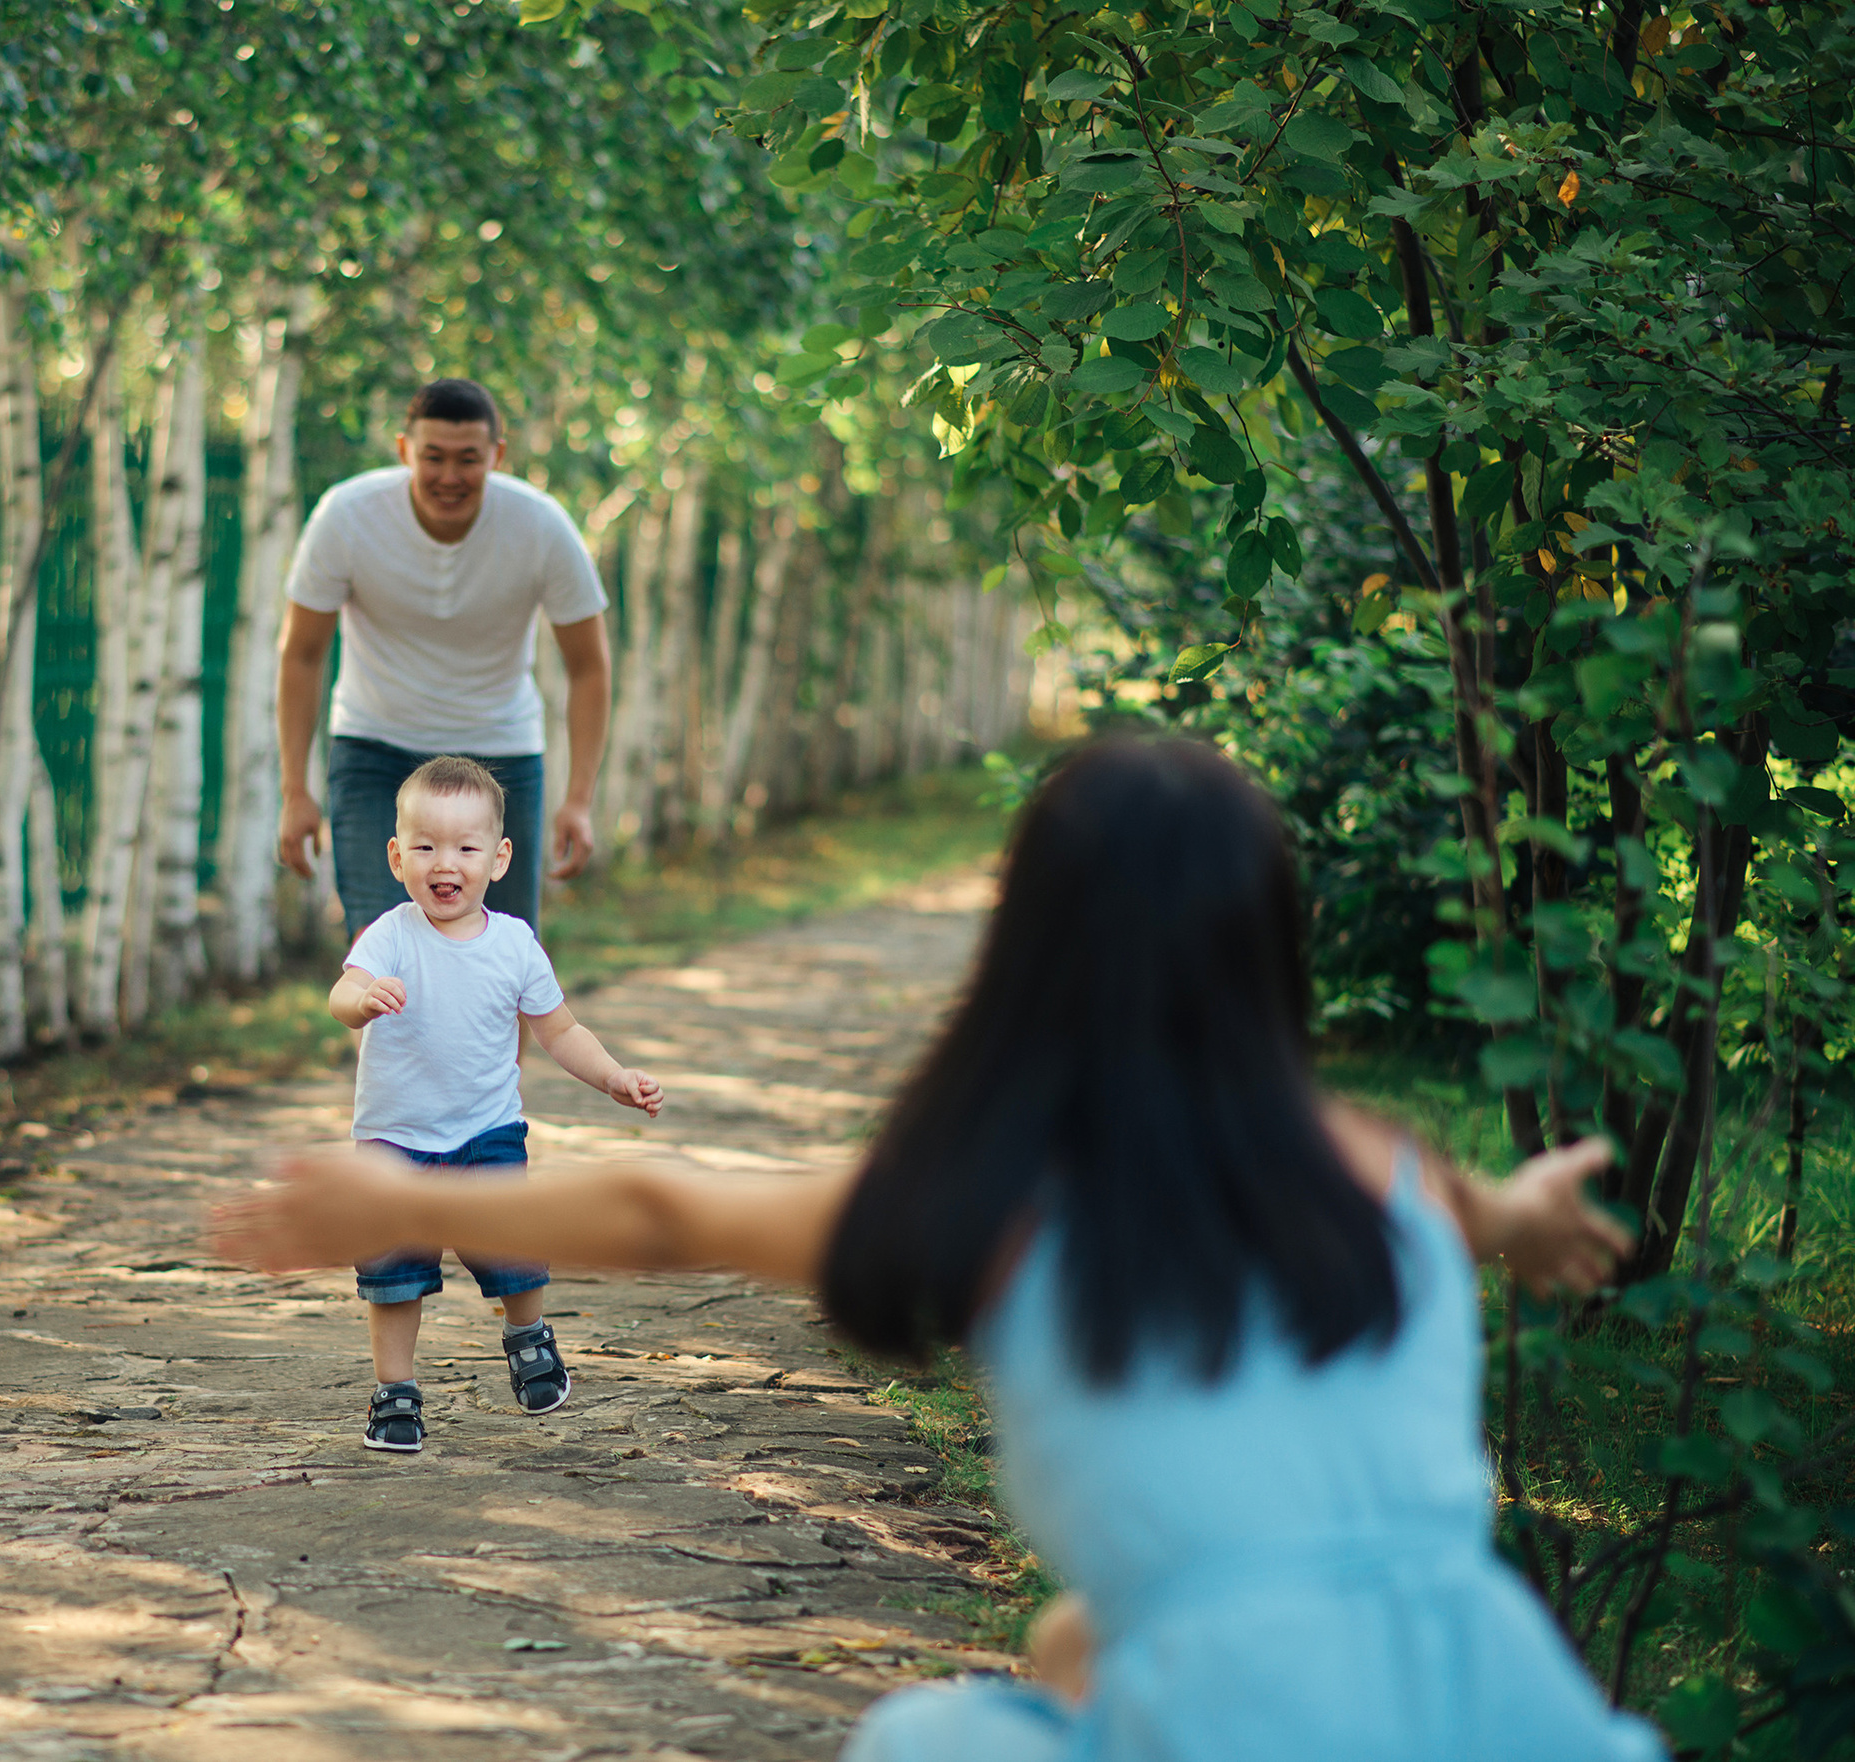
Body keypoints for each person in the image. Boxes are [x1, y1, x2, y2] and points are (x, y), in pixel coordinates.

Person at [214, 735, 1664, 1760]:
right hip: (1513, 1694)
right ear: (1271, 944)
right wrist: (1525, 1215)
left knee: (931, 1733)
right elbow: (1476, 1208)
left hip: (1240, 1713)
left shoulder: (1015, 1195)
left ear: (1023, 937)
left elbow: (668, 1212)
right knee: (1077, 1645)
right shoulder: (1385, 1162)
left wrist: (406, 1197)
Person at [326, 754, 663, 1453]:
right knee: (391, 1271)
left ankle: (526, 1333)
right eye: (424, 845)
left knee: (514, 1248)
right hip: (394, 1140)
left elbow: (560, 1031)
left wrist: (613, 1078)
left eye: (465, 847)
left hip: (488, 1134)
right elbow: (341, 992)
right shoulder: (390, 934)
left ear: (500, 858)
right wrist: (359, 1001)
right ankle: (395, 1391)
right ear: (396, 856)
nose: (443, 862)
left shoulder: (514, 944)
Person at [276, 378, 613, 938]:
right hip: (375, 753)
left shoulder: (540, 526)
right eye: (432, 457)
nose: (449, 477)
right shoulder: (348, 516)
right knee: (379, 953)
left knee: (503, 962)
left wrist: (579, 799)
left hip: (500, 755)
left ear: (497, 457)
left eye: (468, 459)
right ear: (405, 449)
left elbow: (589, 666)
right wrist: (294, 790)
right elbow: (302, 654)